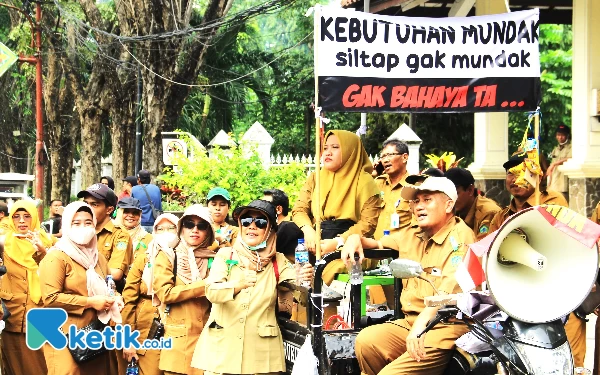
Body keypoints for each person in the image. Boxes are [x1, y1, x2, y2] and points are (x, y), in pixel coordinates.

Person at [342, 177, 475, 375]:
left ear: (448, 205)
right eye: (416, 201)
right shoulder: (414, 234)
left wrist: (420, 326)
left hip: (444, 327)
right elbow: (378, 244)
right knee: (366, 341)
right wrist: (354, 238)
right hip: (411, 322)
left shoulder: (460, 237)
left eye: (427, 200)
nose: (418, 207)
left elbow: (447, 294)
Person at [487, 154, 588, 367]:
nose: (515, 180)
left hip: (556, 289)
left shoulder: (553, 200)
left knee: (566, 358)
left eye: (521, 173)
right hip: (520, 294)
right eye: (510, 175)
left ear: (536, 175)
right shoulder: (501, 216)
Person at [191, 199, 313, 375]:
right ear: (240, 226)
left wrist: (305, 279)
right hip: (223, 353)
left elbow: (301, 293)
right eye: (247, 221)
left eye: (261, 222)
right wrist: (238, 285)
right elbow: (211, 291)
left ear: (270, 229)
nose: (252, 226)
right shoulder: (226, 255)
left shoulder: (278, 261)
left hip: (262, 357)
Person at [39, 201, 124, 375]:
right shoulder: (57, 257)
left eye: (88, 222)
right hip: (64, 335)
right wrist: (90, 302)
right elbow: (50, 298)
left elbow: (108, 285)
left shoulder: (98, 258)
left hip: (95, 335)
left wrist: (115, 296)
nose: (83, 227)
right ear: (66, 225)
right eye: (76, 223)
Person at [292, 130, 381, 284]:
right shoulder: (316, 177)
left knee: (331, 267)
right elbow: (299, 209)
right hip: (315, 239)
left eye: (335, 147)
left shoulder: (365, 181)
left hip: (348, 241)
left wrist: (337, 242)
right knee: (285, 231)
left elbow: (368, 224)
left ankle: (320, 301)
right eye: (325, 148)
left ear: (350, 151)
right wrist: (308, 231)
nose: (328, 152)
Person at [152, 204, 216, 375]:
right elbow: (165, 293)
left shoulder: (214, 259)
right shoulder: (167, 255)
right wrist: (204, 286)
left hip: (207, 343)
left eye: (201, 226)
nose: (194, 230)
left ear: (208, 231)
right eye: (189, 224)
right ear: (181, 228)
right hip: (178, 343)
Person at [0, 200, 56, 375]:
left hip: (42, 312)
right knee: (12, 364)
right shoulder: (3, 244)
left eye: (27, 216)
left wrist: (43, 251)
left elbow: (57, 274)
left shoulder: (50, 242)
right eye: (17, 217)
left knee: (42, 364)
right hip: (13, 313)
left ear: (35, 218)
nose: (22, 221)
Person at [122, 213, 180, 375]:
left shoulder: (186, 258)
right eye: (160, 229)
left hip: (179, 328)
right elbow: (129, 300)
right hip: (148, 329)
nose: (166, 233)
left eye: (171, 228)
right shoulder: (144, 259)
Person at [78, 184, 133, 287]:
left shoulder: (120, 235)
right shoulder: (78, 230)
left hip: (105, 292)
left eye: (94, 204)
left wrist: (78, 272)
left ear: (109, 210)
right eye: (85, 203)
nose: (87, 208)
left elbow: (115, 274)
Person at [444, 168, 501, 239]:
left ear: (470, 190)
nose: (449, 200)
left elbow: (482, 247)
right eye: (446, 194)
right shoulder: (451, 210)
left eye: (455, 194)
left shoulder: (488, 212)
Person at [373, 139, 412, 239]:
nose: (385, 160)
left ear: (404, 157)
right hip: (375, 249)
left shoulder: (414, 187)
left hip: (400, 250)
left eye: (390, 155)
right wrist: (372, 174)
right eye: (383, 156)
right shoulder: (377, 183)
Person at [263, 188, 303, 262]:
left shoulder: (287, 228)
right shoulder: (284, 226)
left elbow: (265, 252)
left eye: (266, 205)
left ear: (278, 209)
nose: (262, 208)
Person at [115, 197, 153, 261]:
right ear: (119, 213)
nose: (131, 215)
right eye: (126, 212)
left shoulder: (148, 238)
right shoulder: (109, 233)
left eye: (135, 213)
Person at [546, 124, 572, 196]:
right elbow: (551, 169)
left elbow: (570, 158)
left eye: (563, 135)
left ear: (567, 136)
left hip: (564, 185)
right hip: (553, 185)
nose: (560, 137)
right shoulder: (555, 149)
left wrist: (555, 164)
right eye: (558, 135)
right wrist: (548, 185)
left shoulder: (571, 147)